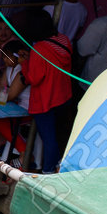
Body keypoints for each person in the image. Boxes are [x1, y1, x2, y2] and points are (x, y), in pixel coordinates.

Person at [20, 10, 74, 172]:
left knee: (48, 138)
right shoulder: (64, 39)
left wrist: (24, 63)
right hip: (63, 95)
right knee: (57, 136)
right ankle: (55, 165)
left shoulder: (39, 49)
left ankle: (48, 170)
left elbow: (34, 78)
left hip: (46, 98)